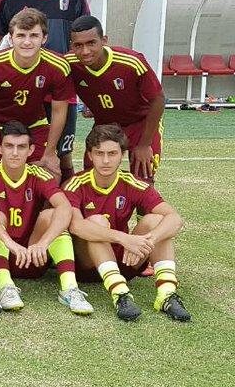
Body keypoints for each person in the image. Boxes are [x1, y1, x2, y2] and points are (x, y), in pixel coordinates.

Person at [65, 125, 191, 322]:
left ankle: (166, 293)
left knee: (156, 221)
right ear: (90, 155)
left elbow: (175, 219)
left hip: (127, 261)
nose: (105, 160)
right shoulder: (76, 183)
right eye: (99, 153)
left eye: (112, 153)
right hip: (88, 266)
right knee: (96, 222)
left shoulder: (132, 182)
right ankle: (120, 294)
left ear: (122, 154)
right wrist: (125, 238)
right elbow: (76, 226)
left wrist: (145, 241)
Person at [0, 0, 90, 171]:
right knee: (16, 152)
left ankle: (66, 206)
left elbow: (85, 45)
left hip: (61, 91)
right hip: (22, 91)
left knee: (61, 157)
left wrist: (87, 95)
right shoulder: (11, 1)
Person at [0, 122, 94, 315]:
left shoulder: (39, 174)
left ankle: (69, 288)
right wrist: (9, 242)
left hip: (34, 255)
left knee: (53, 214)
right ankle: (6, 287)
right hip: (1, 254)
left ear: (30, 150)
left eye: (21, 147)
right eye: (9, 146)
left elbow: (64, 207)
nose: (15, 153)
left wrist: (43, 243)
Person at [0, 9, 74, 179]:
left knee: (50, 174)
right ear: (10, 37)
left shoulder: (58, 65)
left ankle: (46, 207)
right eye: (21, 35)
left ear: (44, 38)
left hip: (34, 125)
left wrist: (50, 152)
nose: (27, 42)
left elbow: (59, 110)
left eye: (34, 36)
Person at [66, 16, 165, 180]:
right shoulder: (68, 63)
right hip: (104, 125)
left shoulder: (132, 62)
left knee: (143, 178)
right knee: (91, 177)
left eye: (91, 43)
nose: (85, 51)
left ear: (104, 40)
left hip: (140, 123)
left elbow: (158, 100)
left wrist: (144, 144)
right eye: (78, 45)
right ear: (71, 45)